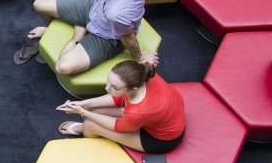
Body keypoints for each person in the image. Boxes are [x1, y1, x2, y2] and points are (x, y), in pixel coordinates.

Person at [28, 0, 157, 76]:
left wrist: (139, 57)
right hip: (95, 7)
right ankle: (55, 30)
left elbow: (128, 37)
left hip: (107, 37)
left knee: (61, 66)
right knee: (39, 5)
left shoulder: (117, 13)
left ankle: (78, 34)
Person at [56, 61, 185, 153]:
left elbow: (119, 127)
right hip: (160, 117)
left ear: (133, 88)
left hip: (162, 139)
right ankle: (88, 123)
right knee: (93, 110)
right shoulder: (141, 77)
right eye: (108, 81)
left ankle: (85, 131)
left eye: (115, 87)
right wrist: (85, 104)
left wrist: (83, 112)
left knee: (90, 124)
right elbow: (120, 96)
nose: (107, 88)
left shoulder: (138, 111)